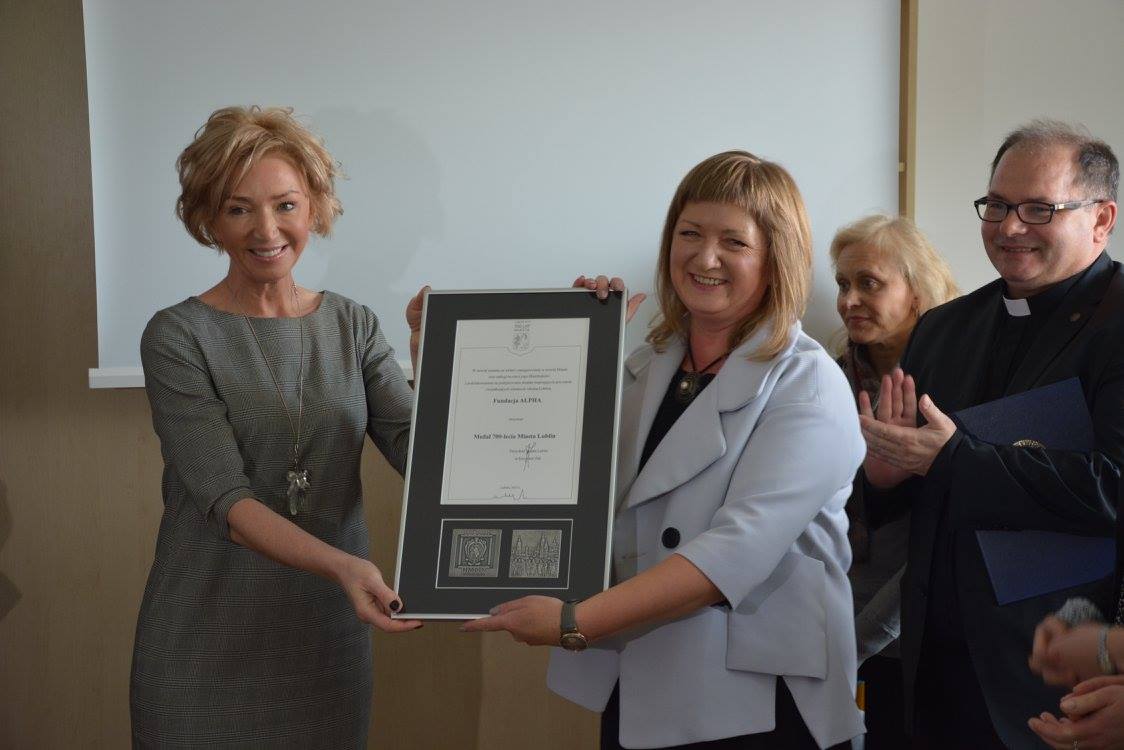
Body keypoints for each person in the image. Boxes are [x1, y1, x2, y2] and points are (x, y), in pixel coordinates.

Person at [464, 151, 866, 749]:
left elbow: (732, 554)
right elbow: (534, 462)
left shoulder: (809, 383)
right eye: (690, 233)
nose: (705, 258)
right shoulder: (645, 364)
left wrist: (575, 621)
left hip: (757, 701)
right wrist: (571, 343)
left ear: (775, 259)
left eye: (734, 242)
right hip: (642, 682)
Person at [130, 105, 433, 748]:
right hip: (202, 643)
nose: (266, 230)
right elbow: (229, 504)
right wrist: (347, 567)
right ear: (208, 220)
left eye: (286, 205)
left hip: (325, 641)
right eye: (238, 209)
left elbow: (425, 459)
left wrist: (432, 358)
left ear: (315, 207)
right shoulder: (177, 336)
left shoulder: (353, 325)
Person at [858, 120, 1124, 747]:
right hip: (937, 669)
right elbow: (918, 494)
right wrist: (886, 478)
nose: (1009, 227)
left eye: (1038, 209)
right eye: (998, 206)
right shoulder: (943, 328)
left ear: (1101, 219)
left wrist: (952, 460)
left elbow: (1114, 486)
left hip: (1062, 668)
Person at [829, 214, 958, 748]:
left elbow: (943, 536)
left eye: (869, 283)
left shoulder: (955, 378)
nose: (849, 300)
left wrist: (856, 644)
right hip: (831, 626)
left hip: (923, 635)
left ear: (917, 292)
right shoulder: (828, 375)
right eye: (843, 284)